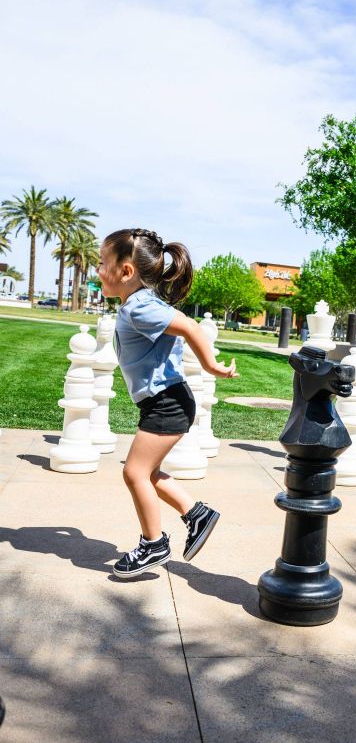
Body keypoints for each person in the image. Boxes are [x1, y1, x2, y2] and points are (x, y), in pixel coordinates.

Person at [97, 228, 236, 579]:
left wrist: (211, 365)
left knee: (134, 472)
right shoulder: (138, 304)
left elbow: (189, 326)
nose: (97, 271)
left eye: (101, 263)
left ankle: (153, 543)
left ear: (126, 271)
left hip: (167, 402)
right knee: (148, 473)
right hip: (165, 401)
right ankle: (197, 514)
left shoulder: (140, 307)